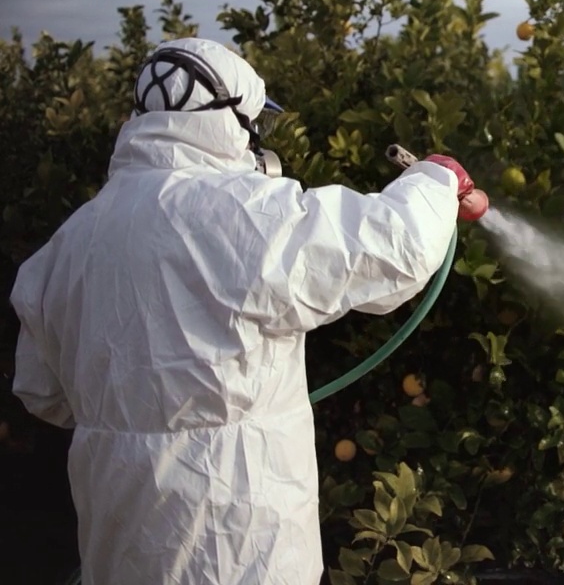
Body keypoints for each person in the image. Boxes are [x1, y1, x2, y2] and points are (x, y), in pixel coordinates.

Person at [9, 37, 486, 584]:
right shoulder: (244, 215)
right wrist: (437, 177)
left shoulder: (70, 244)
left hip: (119, 547)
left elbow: (42, 395)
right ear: (229, 121)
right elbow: (393, 247)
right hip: (240, 547)